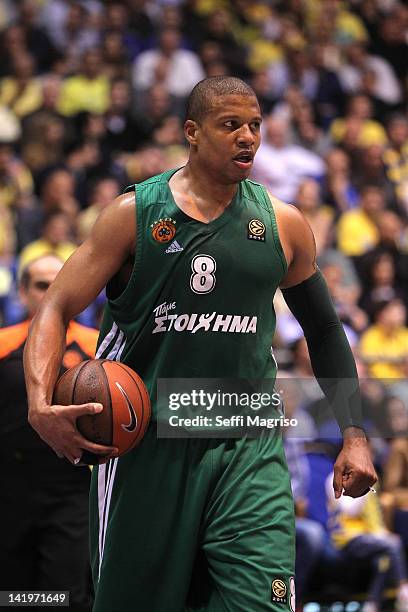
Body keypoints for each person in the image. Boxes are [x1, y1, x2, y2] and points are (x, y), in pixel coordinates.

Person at [23, 76, 377, 612]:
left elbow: (326, 330)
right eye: (230, 125)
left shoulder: (284, 224)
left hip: (247, 440)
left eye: (254, 125)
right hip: (146, 440)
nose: (247, 138)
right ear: (192, 132)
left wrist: (353, 432)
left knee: (263, 601)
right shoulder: (134, 214)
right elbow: (55, 306)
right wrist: (39, 401)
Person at [0, 254, 98, 611]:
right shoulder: (3, 343)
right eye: (42, 285)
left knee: (67, 596)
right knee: (13, 597)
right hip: (9, 489)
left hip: (71, 489)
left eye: (59, 284)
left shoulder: (97, 348)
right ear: (23, 292)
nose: (51, 293)